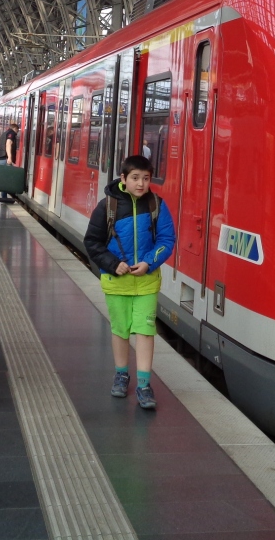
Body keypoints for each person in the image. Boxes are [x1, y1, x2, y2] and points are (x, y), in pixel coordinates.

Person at [82, 155, 175, 410]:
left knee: (145, 331)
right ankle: (121, 375)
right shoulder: (107, 206)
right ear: (123, 178)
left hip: (146, 282)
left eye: (146, 178)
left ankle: (144, 385)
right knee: (120, 330)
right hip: (116, 281)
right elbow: (92, 242)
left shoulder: (157, 205)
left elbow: (167, 239)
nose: (141, 183)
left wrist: (148, 263)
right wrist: (113, 264)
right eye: (135, 178)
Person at [0, 120, 19, 202]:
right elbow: (8, 143)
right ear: (15, 129)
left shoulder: (4, 134)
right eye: (17, 130)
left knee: (2, 178)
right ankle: (2, 196)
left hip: (0, 157)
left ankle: (2, 196)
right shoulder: (11, 133)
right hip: (5, 158)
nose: (17, 132)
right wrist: (9, 157)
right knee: (6, 178)